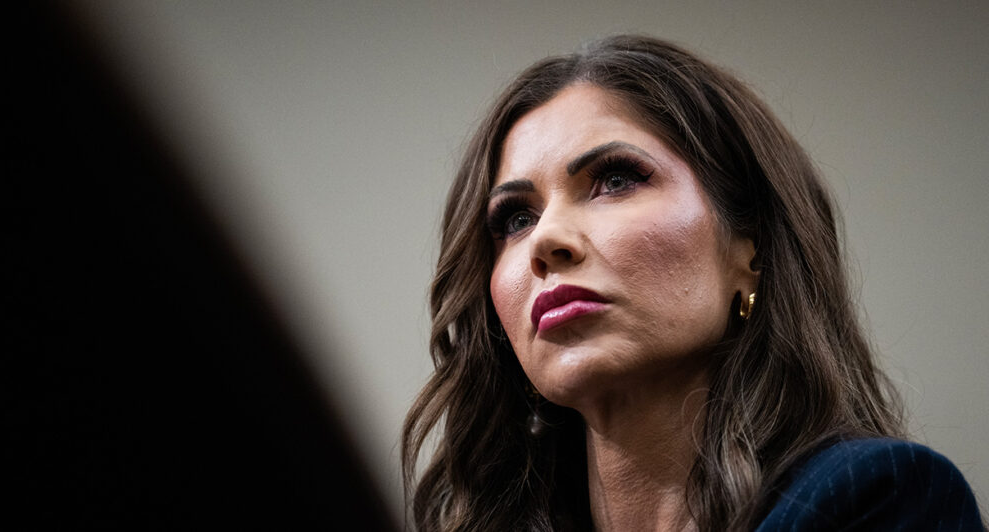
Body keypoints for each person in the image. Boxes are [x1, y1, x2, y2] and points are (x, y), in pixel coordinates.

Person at [402, 35, 983, 531]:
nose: (546, 240)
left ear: (749, 252)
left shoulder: (879, 500)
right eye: (515, 218)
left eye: (616, 179)